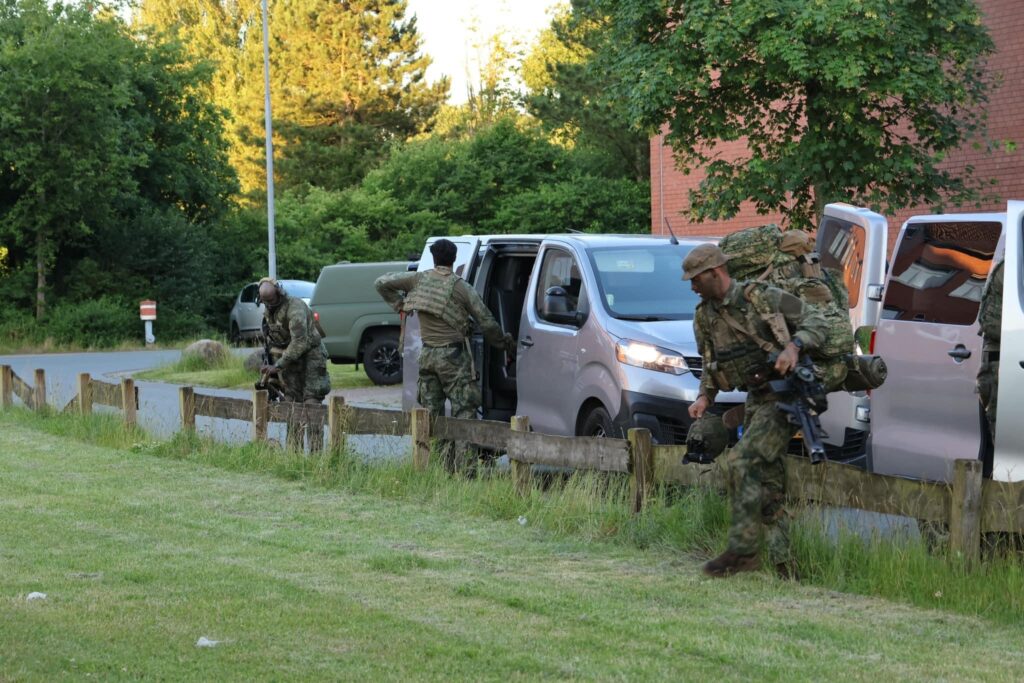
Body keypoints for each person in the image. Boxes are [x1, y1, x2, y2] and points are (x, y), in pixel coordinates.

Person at [683, 243, 828, 579]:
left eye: (695, 279)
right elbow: (710, 363)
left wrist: (794, 346)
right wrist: (704, 396)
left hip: (785, 397)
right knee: (768, 484)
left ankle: (743, 552)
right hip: (756, 399)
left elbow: (817, 322)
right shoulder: (704, 316)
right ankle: (785, 568)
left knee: (741, 461)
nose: (692, 287)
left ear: (714, 273)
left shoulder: (763, 297)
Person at [375, 239, 516, 472]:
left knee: (432, 416)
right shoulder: (461, 288)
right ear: (453, 259)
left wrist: (399, 304)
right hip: (454, 359)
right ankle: (466, 471)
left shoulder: (418, 280)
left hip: (427, 356)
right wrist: (505, 344)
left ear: (434, 258)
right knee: (464, 414)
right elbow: (487, 322)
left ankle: (440, 469)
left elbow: (381, 282)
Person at [258, 278, 331, 450]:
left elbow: (300, 342)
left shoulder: (295, 307)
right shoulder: (270, 312)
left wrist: (278, 365)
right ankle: (294, 454)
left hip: (312, 356)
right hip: (290, 359)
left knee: (312, 402)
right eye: (266, 301)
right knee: (291, 402)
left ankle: (315, 454)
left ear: (279, 292)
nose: (270, 304)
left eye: (272, 300)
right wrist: (272, 369)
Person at [977, 258, 1003, 442]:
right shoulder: (1010, 268)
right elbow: (988, 322)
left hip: (999, 363)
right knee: (1003, 440)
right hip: (997, 365)